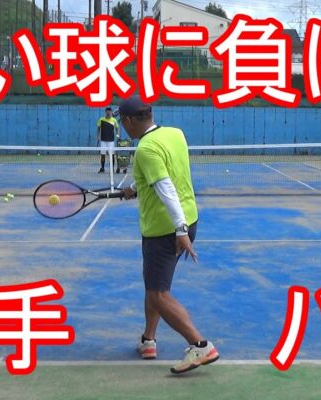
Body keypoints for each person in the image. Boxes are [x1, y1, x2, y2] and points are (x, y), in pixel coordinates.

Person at [119, 95, 219, 374]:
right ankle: (148, 340)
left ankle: (200, 345)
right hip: (189, 218)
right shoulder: (175, 134)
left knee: (158, 294)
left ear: (128, 121)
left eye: (122, 122)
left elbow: (165, 188)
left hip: (165, 230)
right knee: (155, 287)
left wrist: (179, 230)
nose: (122, 127)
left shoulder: (145, 149)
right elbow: (167, 172)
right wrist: (135, 188)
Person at [96, 107, 120, 173]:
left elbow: (117, 128)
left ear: (111, 112)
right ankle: (102, 168)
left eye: (110, 112)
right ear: (105, 112)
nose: (108, 113)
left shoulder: (114, 120)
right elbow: (98, 128)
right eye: (107, 112)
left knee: (112, 155)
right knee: (102, 155)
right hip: (103, 140)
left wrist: (117, 135)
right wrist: (98, 136)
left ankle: (112, 168)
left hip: (111, 141)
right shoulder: (101, 120)